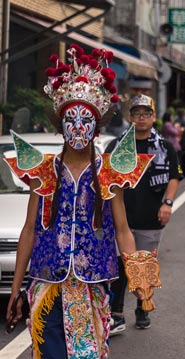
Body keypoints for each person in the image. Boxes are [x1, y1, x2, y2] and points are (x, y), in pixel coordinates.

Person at [4, 43, 156, 358]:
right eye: (70, 120)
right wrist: (16, 288)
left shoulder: (109, 173)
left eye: (84, 120)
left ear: (97, 126)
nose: (77, 127)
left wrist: (138, 276)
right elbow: (29, 230)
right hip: (48, 282)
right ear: (60, 127)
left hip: (93, 284)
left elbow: (123, 230)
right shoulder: (44, 171)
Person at [107, 94, 183, 333]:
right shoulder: (117, 145)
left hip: (151, 217)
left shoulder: (165, 146)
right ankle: (116, 314)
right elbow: (105, 177)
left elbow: (175, 175)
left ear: (153, 117)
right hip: (121, 219)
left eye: (146, 114)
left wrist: (167, 203)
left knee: (145, 265)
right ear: (130, 117)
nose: (141, 118)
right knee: (120, 267)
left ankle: (142, 308)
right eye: (137, 114)